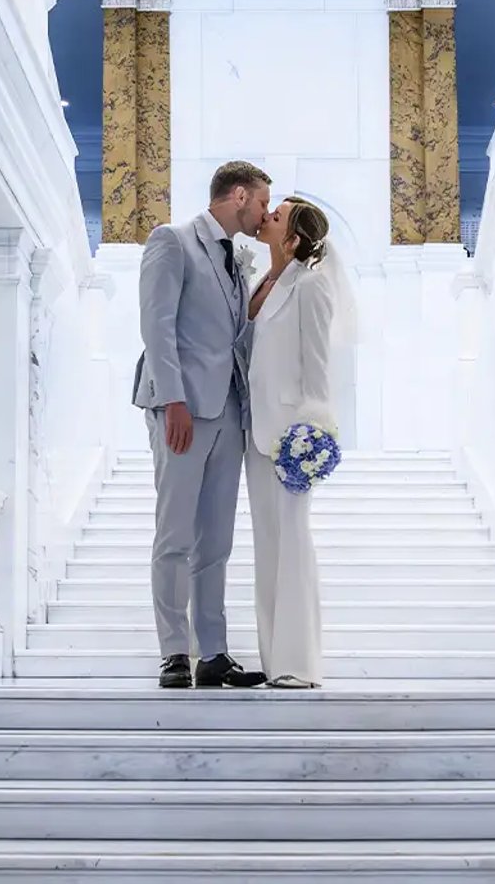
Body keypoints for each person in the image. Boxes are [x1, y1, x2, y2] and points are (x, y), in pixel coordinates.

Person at [132, 160, 270, 689]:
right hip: (183, 409)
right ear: (238, 195)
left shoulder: (237, 258)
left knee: (216, 541)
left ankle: (213, 651)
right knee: (175, 533)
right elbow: (157, 325)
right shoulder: (172, 240)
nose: (263, 213)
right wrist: (173, 401)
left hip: (230, 410)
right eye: (261, 203)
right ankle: (173, 652)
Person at [244, 196, 350, 688]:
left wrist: (311, 432)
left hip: (290, 439)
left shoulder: (311, 287)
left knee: (293, 545)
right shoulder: (259, 283)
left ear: (293, 239)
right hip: (254, 434)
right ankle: (273, 660)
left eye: (277, 215)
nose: (265, 216)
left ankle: (298, 663)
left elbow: (318, 371)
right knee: (267, 546)